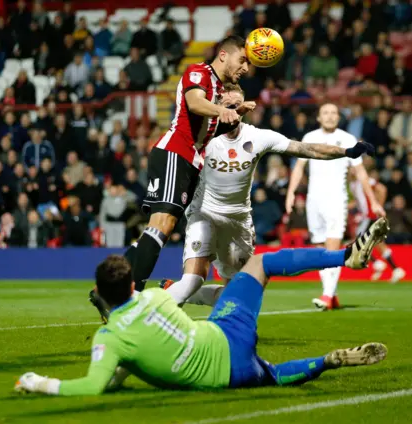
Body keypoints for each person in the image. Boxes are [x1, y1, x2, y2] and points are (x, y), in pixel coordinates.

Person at [15, 218, 389, 395]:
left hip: (228, 376)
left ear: (100, 292)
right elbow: (194, 296)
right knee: (260, 264)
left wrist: (39, 382)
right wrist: (234, 293)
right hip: (227, 331)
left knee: (271, 375)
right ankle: (346, 256)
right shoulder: (157, 296)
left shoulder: (111, 338)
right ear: (132, 285)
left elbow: (98, 385)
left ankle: (323, 362)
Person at [158, 85, 375, 310]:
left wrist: (346, 152)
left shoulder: (258, 136)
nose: (233, 111)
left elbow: (306, 149)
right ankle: (151, 319)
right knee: (192, 281)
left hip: (238, 220)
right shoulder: (203, 136)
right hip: (204, 214)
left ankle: (177, 293)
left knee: (240, 296)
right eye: (227, 106)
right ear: (216, 107)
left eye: (236, 106)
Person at [89, 35, 255, 318]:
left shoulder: (217, 87)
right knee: (161, 226)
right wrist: (223, 110)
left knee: (156, 231)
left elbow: (205, 129)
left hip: (189, 162)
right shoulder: (199, 72)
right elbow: (193, 103)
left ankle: (107, 292)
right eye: (243, 60)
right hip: (174, 153)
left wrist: (233, 112)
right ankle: (129, 298)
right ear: (224, 55)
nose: (246, 68)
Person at [285, 103, 386, 311]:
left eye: (333, 113)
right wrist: (291, 192)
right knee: (320, 248)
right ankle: (332, 293)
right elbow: (299, 168)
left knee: (332, 247)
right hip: (314, 200)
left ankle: (327, 295)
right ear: (319, 117)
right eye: (325, 113)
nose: (330, 116)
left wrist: (373, 201)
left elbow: (360, 174)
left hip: (336, 199)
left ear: (338, 117)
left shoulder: (348, 139)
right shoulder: (309, 137)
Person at [349, 168, 406, 283]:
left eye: (353, 169)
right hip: (365, 216)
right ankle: (396, 269)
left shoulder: (365, 180)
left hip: (370, 215)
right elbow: (359, 201)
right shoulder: (352, 184)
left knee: (357, 240)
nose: (351, 171)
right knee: (378, 243)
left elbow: (382, 189)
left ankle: (377, 264)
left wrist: (379, 206)